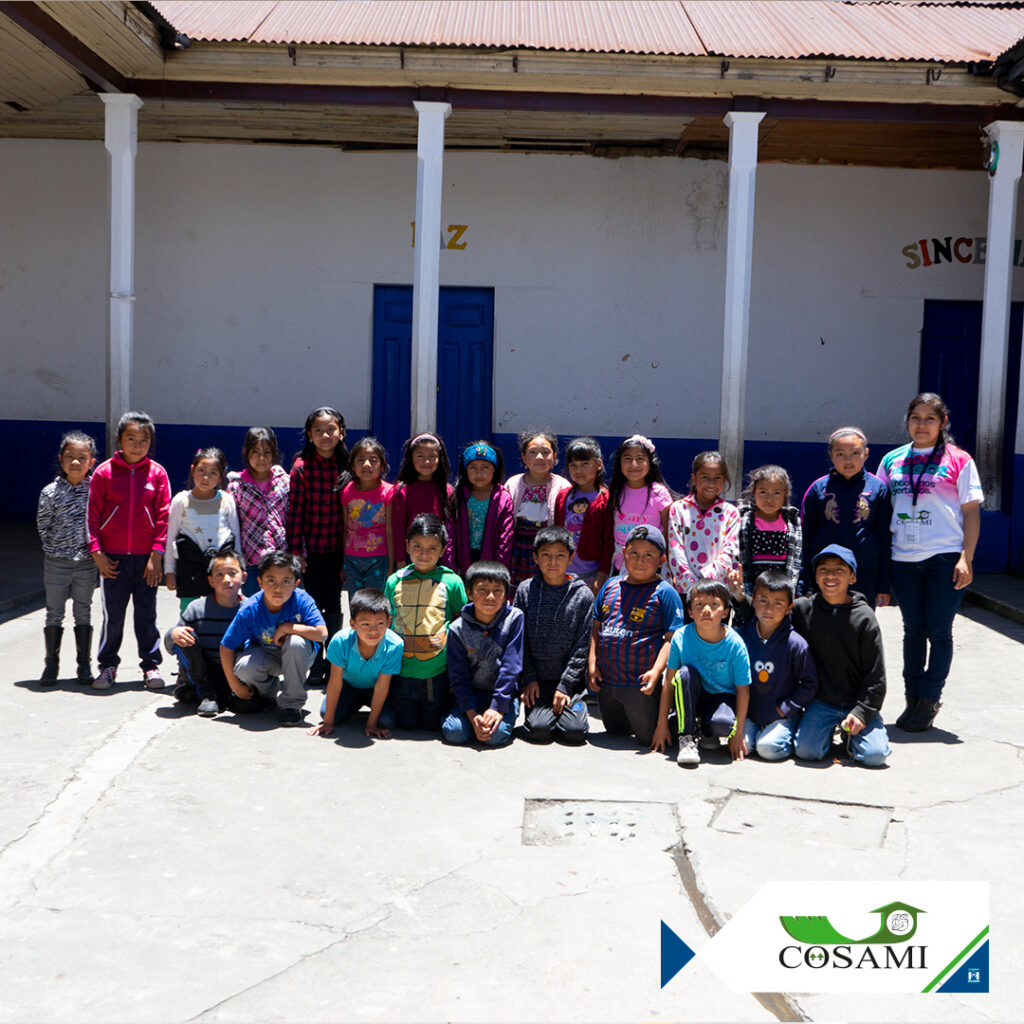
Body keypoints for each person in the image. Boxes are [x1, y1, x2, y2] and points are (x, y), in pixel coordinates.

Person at [876, 393, 982, 732]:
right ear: (908, 420)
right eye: (916, 418)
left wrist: (966, 558)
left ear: (942, 423)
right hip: (902, 559)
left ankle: (930, 699)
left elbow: (971, 513)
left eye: (930, 419)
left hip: (944, 558)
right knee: (912, 632)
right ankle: (912, 698)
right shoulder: (892, 460)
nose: (922, 425)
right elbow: (879, 510)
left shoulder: (959, 460)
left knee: (939, 631)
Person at [88, 411, 171, 691]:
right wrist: (97, 553)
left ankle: (150, 666)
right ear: (119, 440)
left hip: (147, 561)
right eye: (131, 438)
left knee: (146, 615)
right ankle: (107, 666)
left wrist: (156, 555)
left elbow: (164, 517)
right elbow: (92, 515)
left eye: (143, 440)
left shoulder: (157, 474)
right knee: (113, 617)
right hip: (112, 561)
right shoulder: (104, 473)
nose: (137, 445)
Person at [791, 545, 891, 766]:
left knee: (875, 756)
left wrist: (862, 712)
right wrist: (740, 599)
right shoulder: (803, 609)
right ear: (816, 577)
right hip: (822, 701)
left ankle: (852, 733)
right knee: (807, 752)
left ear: (852, 578)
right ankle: (825, 731)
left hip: (857, 700)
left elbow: (877, 676)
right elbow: (770, 612)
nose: (830, 575)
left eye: (839, 570)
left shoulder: (864, 618)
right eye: (823, 570)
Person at [588, 525, 684, 748]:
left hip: (640, 683)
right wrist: (592, 663)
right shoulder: (610, 585)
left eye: (648, 555)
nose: (640, 560)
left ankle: (678, 721)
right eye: (634, 553)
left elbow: (672, 639)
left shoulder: (665, 592)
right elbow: (595, 628)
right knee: (615, 730)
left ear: (661, 561)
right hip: (608, 682)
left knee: (647, 738)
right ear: (623, 554)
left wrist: (656, 672)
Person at [219, 550, 328, 726]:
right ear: (260, 582)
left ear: (296, 583)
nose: (278, 588)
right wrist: (236, 687)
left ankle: (291, 704)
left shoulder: (302, 599)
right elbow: (226, 647)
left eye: (286, 581)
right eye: (271, 581)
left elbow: (322, 633)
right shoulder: (250, 608)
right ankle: (268, 694)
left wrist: (288, 627)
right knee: (244, 666)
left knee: (296, 642)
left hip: (299, 656)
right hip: (265, 653)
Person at [383, 514, 467, 731]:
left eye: (432, 548)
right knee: (405, 723)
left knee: (431, 724)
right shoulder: (394, 581)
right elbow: (386, 622)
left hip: (435, 671)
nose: (424, 554)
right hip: (400, 669)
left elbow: (460, 623)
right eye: (418, 546)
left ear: (443, 550)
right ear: (407, 546)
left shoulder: (452, 582)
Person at [653, 580, 750, 766]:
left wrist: (738, 733)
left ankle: (706, 731)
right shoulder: (681, 637)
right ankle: (687, 736)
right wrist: (661, 725)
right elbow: (669, 682)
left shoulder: (735, 644)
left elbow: (743, 690)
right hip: (691, 695)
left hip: (721, 697)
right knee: (685, 674)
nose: (706, 610)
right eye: (699, 604)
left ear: (725, 612)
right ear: (690, 612)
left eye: (714, 604)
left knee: (723, 724)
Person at [514, 525, 594, 744]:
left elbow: (582, 646)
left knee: (574, 732)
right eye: (546, 555)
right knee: (538, 730)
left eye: (560, 555)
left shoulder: (583, 595)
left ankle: (575, 705)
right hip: (537, 681)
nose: (552, 562)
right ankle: (544, 713)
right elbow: (519, 640)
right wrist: (529, 678)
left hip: (569, 682)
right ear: (535, 558)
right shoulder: (525, 590)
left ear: (570, 558)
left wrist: (566, 685)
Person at [286, 406, 347, 684]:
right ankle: (316, 663)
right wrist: (295, 552)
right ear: (309, 435)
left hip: (338, 550)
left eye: (330, 429)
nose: (325, 435)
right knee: (312, 605)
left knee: (333, 603)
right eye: (318, 430)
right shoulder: (301, 467)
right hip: (310, 552)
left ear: (341, 432)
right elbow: (295, 512)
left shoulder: (347, 466)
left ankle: (333, 660)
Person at [164, 549, 265, 717]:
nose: (226, 580)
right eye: (219, 574)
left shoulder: (252, 609)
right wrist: (173, 633)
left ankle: (228, 694)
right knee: (185, 635)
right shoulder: (197, 608)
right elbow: (171, 646)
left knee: (249, 706)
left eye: (232, 573)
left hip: (235, 672)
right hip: (202, 670)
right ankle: (206, 693)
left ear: (244, 577)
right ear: (210, 581)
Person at [730, 570, 818, 761]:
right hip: (750, 714)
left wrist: (785, 709)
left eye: (778, 603)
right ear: (753, 600)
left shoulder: (796, 644)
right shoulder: (741, 637)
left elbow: (810, 683)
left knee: (768, 749)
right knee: (744, 747)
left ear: (789, 608)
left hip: (782, 716)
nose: (769, 609)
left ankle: (790, 732)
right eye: (763, 601)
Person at [801, 426, 892, 608]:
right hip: (825, 572)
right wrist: (805, 581)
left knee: (859, 619)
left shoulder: (878, 489)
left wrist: (884, 584)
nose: (848, 460)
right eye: (840, 454)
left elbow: (885, 538)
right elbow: (805, 537)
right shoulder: (817, 489)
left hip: (864, 571)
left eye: (855, 453)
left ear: (866, 454)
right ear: (831, 455)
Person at [36, 430, 98, 684]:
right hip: (56, 563)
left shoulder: (96, 490)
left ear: (91, 461)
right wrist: (56, 549)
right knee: (54, 612)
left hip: (86, 563)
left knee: (83, 611)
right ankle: (51, 665)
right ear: (61, 459)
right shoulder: (50, 492)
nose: (75, 462)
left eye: (82, 458)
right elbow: (43, 526)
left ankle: (84, 665)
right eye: (70, 456)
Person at [442, 561, 523, 746]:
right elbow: (458, 675)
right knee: (455, 733)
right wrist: (472, 715)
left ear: (506, 594)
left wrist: (497, 708)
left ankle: (497, 716)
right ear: (469, 593)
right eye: (482, 590)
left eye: (497, 590)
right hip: (472, 692)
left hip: (503, 693)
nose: (490, 596)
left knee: (494, 737)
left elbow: (511, 666)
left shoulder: (514, 618)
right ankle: (463, 716)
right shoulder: (457, 628)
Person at [307, 587, 403, 739]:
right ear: (352, 623)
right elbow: (335, 682)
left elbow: (382, 686)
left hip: (375, 688)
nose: (373, 631)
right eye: (365, 624)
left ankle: (365, 708)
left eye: (380, 623)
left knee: (386, 721)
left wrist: (371, 725)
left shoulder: (395, 645)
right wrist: (328, 723)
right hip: (348, 686)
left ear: (388, 622)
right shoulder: (340, 641)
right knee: (326, 714)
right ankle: (354, 702)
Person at [591, 435, 673, 590]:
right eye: (627, 459)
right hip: (621, 564)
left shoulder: (659, 493)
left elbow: (669, 534)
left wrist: (671, 567)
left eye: (640, 459)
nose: (634, 464)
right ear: (619, 464)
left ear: (650, 464)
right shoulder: (616, 492)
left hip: (649, 565)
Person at [165, 447, 240, 613]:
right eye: (201, 471)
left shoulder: (227, 500)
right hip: (189, 568)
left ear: (220, 476)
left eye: (213, 473)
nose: (206, 477)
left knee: (219, 610)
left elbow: (235, 535)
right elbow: (171, 538)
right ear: (193, 470)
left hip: (219, 570)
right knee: (188, 611)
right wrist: (170, 570)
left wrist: (238, 567)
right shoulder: (181, 500)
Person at [666, 450, 740, 599]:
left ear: (724, 479)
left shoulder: (731, 513)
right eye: (705, 477)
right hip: (686, 592)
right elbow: (675, 549)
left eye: (717, 478)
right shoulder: (679, 509)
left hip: (718, 590)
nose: (711, 484)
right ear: (694, 478)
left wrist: (706, 579)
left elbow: (730, 551)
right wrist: (691, 583)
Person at [227, 426, 289, 598]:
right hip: (251, 561)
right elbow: (232, 526)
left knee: (279, 605)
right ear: (246, 453)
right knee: (253, 605)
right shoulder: (237, 487)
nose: (261, 458)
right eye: (255, 452)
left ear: (274, 454)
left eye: (267, 452)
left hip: (280, 559)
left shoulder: (285, 483)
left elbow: (294, 520)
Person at [505, 430, 571, 593]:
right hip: (519, 548)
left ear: (554, 456)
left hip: (548, 548)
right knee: (518, 590)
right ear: (524, 457)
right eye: (533, 452)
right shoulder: (513, 484)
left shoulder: (563, 486)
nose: (539, 457)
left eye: (546, 452)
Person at [388, 432, 454, 569]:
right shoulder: (402, 490)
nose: (426, 462)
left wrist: (448, 560)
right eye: (420, 456)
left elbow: (450, 529)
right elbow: (398, 529)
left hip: (437, 556)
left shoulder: (447, 491)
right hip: (411, 556)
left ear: (440, 458)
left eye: (432, 456)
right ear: (410, 458)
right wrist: (400, 561)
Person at [736, 464, 802, 597]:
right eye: (763, 492)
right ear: (754, 492)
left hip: (781, 591)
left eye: (776, 493)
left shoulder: (792, 522)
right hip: (751, 591)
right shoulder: (743, 521)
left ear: (785, 494)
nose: (769, 499)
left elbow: (796, 559)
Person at [339, 437, 394, 594]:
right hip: (351, 559)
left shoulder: (388, 492)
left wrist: (391, 565)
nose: (367, 464)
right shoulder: (347, 491)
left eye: (373, 460)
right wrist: (343, 563)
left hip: (378, 560)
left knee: (373, 602)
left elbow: (389, 531)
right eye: (361, 460)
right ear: (353, 465)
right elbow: (345, 528)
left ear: (382, 466)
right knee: (355, 601)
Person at [449, 441, 513, 574]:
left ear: (494, 469)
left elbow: (505, 537)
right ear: (465, 470)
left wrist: (499, 569)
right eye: (473, 468)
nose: (479, 473)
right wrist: (451, 567)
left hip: (491, 563)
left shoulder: (503, 498)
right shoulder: (458, 497)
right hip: (463, 562)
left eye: (485, 467)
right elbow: (450, 534)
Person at [555, 436, 608, 591]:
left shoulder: (605, 499)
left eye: (585, 464)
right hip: (562, 571)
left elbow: (609, 541)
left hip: (591, 573)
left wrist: (601, 575)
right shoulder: (563, 495)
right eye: (573, 465)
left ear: (598, 464)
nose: (578, 470)